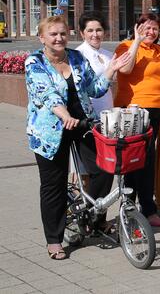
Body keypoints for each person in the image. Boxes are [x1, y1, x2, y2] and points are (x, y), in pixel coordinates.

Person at [25, 16, 128, 260]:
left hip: (83, 122)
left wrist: (111, 70)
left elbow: (94, 88)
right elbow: (46, 94)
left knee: (105, 167)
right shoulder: (35, 61)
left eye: (62, 33)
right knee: (54, 186)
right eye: (53, 34)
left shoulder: (77, 57)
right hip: (50, 130)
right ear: (42, 38)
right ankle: (54, 240)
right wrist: (64, 116)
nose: (59, 38)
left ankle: (93, 217)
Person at [114, 14, 160, 227]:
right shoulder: (125, 45)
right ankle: (133, 208)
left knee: (148, 159)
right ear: (137, 28)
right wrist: (137, 41)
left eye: (155, 29)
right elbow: (125, 69)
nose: (151, 32)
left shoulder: (157, 50)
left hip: (156, 109)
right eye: (146, 28)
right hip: (133, 109)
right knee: (135, 160)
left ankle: (144, 207)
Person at [75, 12, 114, 117]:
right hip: (89, 112)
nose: (95, 35)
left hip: (108, 108)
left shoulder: (109, 55)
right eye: (90, 31)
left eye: (99, 30)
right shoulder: (78, 55)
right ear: (82, 33)